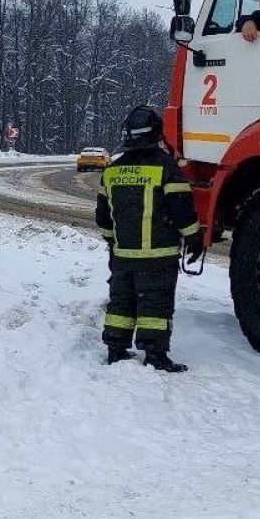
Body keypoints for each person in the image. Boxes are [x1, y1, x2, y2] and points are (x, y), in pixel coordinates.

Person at [95, 106, 204, 371]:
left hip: (123, 256)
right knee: (155, 305)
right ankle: (155, 355)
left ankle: (116, 350)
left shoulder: (112, 170)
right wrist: (194, 238)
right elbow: (181, 210)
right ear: (156, 133)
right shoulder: (166, 167)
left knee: (121, 302)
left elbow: (103, 217)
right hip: (159, 256)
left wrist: (113, 243)